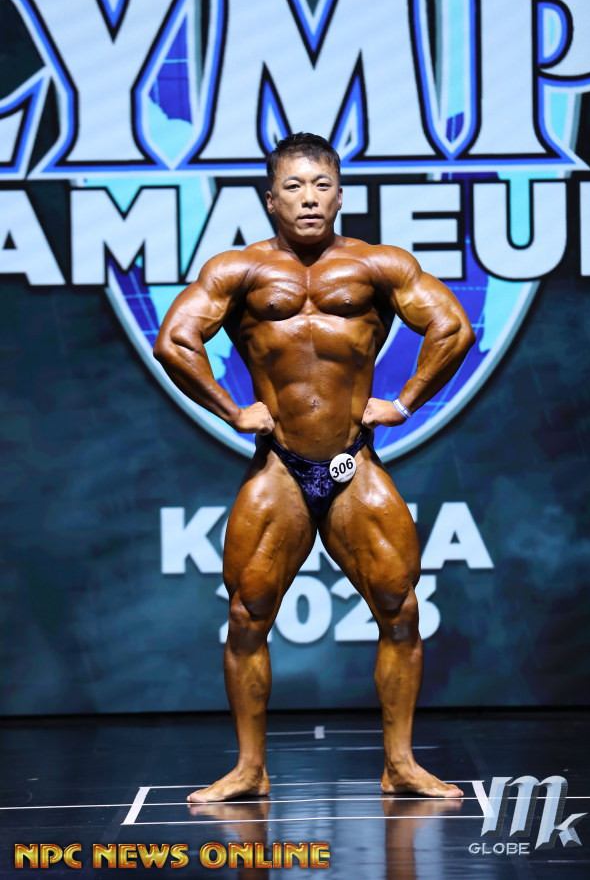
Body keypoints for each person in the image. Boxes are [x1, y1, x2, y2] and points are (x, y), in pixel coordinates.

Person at [154, 132, 475, 802]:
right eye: (294, 187)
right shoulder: (238, 270)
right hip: (279, 467)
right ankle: (249, 769)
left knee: (400, 609)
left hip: (353, 462)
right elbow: (175, 341)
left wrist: (405, 402)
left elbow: (451, 327)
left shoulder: (378, 265)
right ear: (270, 199)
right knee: (247, 615)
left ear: (340, 194)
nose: (309, 198)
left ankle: (400, 764)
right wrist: (230, 409)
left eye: (322, 185)